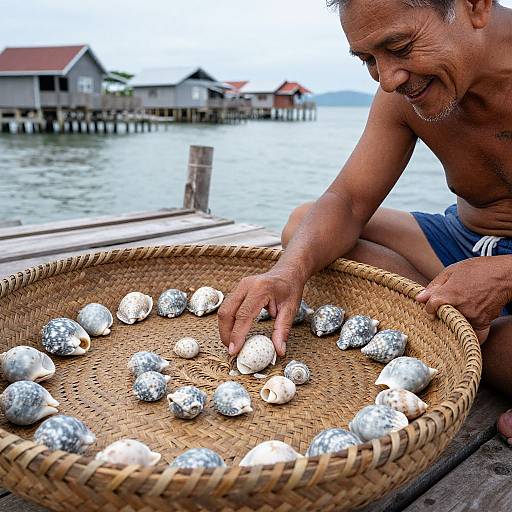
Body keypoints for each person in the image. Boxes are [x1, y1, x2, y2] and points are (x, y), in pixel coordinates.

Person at [218, 0, 512, 396]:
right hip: (465, 238)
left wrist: (504, 274)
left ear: (474, 7)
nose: (388, 80)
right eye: (367, 60)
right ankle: (453, 323)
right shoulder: (405, 92)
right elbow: (349, 201)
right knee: (302, 231)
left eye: (401, 47)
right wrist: (286, 273)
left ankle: (450, 330)